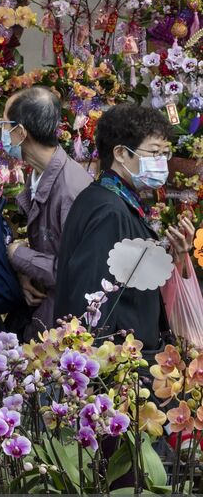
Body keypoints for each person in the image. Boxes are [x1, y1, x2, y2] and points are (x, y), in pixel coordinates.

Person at [55, 103, 195, 351]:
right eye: (154, 153)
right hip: (115, 367)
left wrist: (177, 255)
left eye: (165, 153)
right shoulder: (108, 210)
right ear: (120, 153)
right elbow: (93, 301)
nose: (162, 163)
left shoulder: (114, 199)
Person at [0, 86, 93, 333]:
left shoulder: (71, 189)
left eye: (4, 124)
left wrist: (18, 254)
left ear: (20, 132)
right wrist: (26, 272)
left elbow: (74, 271)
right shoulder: (38, 173)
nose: (3, 133)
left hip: (66, 324)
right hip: (45, 311)